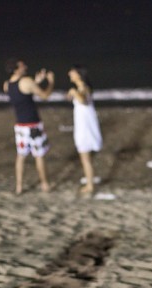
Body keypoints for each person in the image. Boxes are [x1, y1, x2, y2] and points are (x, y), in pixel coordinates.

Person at [3, 59, 55, 195]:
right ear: (16, 69)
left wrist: (36, 82)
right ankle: (45, 184)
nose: (25, 66)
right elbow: (45, 95)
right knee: (39, 155)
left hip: (20, 127)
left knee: (21, 156)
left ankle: (19, 187)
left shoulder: (7, 85)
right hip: (33, 125)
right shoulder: (26, 81)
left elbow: (23, 93)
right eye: (21, 65)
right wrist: (50, 81)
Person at [67, 65, 103, 195]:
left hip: (85, 129)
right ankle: (89, 183)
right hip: (83, 126)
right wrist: (73, 93)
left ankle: (90, 185)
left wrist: (73, 92)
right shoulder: (81, 88)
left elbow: (83, 100)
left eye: (72, 72)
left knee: (85, 158)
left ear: (79, 74)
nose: (69, 73)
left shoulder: (84, 88)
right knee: (85, 158)